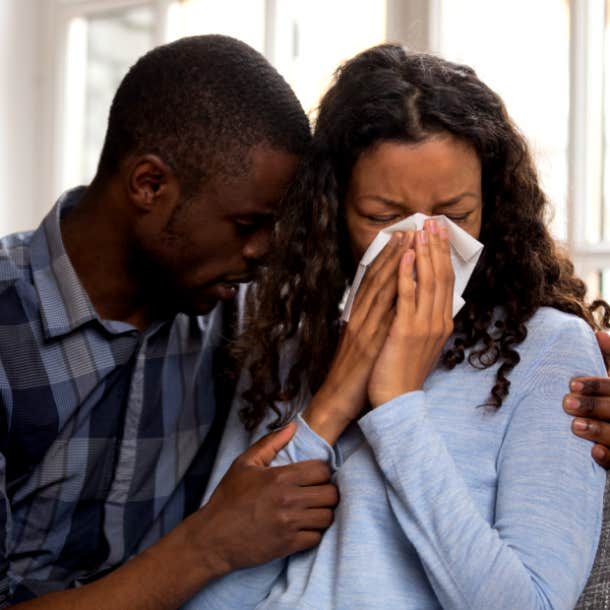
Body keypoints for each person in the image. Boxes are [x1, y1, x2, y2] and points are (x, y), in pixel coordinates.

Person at [183, 44, 610, 609]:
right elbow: (213, 597)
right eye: (383, 217)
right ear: (332, 211)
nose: (421, 244)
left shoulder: (549, 350)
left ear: (494, 207)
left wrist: (396, 406)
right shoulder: (291, 338)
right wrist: (333, 402)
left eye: (456, 215)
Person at [0, 35, 339, 609]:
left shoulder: (233, 313)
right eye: (247, 223)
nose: (265, 252)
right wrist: (210, 545)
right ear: (149, 185)